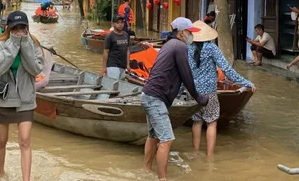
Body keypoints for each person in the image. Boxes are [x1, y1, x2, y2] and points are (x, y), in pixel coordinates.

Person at [141, 17, 208, 181]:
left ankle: (146, 171)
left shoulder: (169, 44)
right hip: (155, 98)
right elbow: (187, 76)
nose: (192, 36)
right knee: (167, 139)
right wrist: (199, 97)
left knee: (153, 136)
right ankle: (162, 179)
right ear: (183, 33)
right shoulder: (179, 46)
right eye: (191, 33)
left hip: (148, 96)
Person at [188, 20, 255, 156]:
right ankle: (210, 158)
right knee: (211, 122)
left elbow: (183, 71)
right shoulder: (211, 48)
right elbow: (227, 70)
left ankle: (195, 154)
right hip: (209, 93)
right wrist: (246, 83)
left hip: (192, 92)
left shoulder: (188, 48)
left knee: (196, 122)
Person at [0, 11, 44, 180]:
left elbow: (35, 70)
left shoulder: (33, 44)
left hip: (25, 99)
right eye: (16, 28)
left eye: (23, 28)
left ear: (27, 28)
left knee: (25, 140)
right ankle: (0, 173)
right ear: (9, 28)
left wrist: (25, 45)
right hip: (3, 99)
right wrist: (14, 44)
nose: (19, 31)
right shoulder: (0, 45)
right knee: (1, 140)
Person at [100, 15, 130, 80]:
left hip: (123, 65)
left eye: (122, 22)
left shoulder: (126, 35)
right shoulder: (110, 36)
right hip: (113, 65)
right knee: (114, 85)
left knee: (121, 85)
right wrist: (104, 68)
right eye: (118, 22)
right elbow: (106, 52)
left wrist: (128, 65)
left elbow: (127, 50)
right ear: (113, 24)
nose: (120, 24)